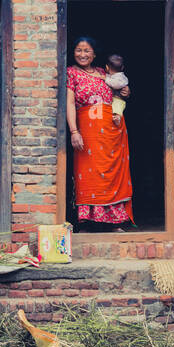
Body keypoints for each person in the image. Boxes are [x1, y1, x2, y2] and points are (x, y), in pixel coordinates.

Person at [66, 36, 133, 229]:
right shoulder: (71, 73)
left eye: (87, 51)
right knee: (88, 175)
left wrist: (125, 92)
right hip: (88, 134)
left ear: (94, 54)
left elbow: (118, 93)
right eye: (78, 50)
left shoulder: (105, 73)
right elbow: (70, 103)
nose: (82, 54)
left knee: (111, 174)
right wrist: (74, 131)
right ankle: (87, 222)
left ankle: (115, 220)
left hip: (112, 132)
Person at [104, 53, 129, 126]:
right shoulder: (108, 75)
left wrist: (105, 79)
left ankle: (118, 117)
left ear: (107, 67)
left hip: (119, 99)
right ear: (122, 67)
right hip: (111, 100)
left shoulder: (121, 77)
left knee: (117, 107)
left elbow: (116, 85)